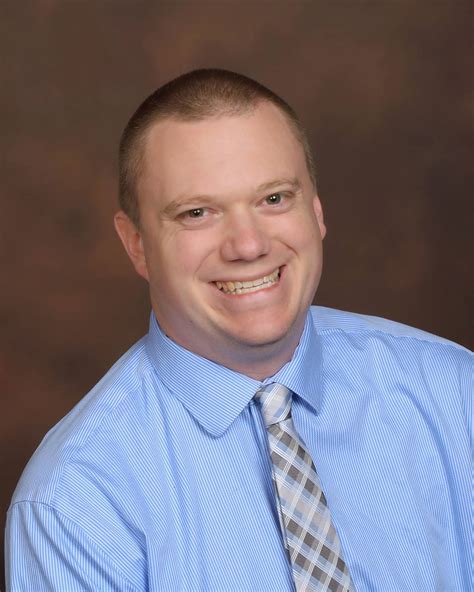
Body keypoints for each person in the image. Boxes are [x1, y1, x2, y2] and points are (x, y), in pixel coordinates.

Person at [5, 69, 471, 592]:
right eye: (197, 212)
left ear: (316, 211)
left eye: (274, 199)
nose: (248, 246)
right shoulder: (74, 502)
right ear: (136, 244)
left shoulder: (454, 396)